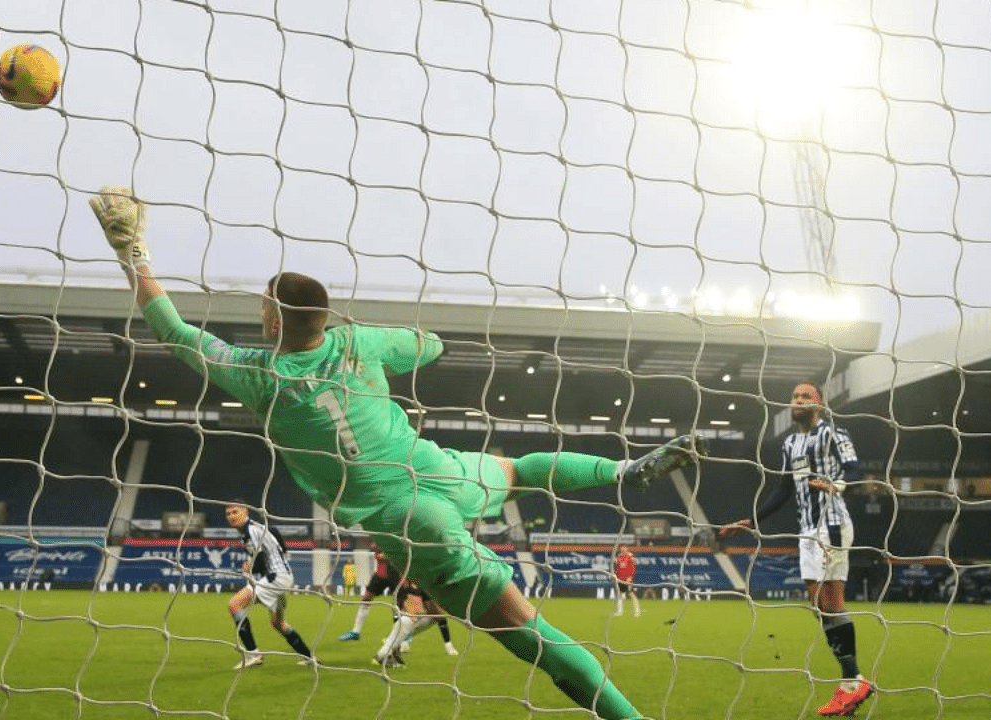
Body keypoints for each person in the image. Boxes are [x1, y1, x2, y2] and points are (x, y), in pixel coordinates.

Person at [88, 187, 701, 720]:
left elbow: (173, 329)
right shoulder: (357, 342)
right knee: (524, 469)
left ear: (274, 323)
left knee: (529, 635)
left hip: (406, 518)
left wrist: (133, 252)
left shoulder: (257, 373)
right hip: (433, 468)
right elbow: (430, 346)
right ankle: (624, 469)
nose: (260, 314)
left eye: (264, 308)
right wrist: (374, 338)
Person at [720, 381, 873, 718]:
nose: (799, 400)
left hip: (832, 524)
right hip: (807, 530)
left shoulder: (834, 433)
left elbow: (853, 467)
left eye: (806, 396)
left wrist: (836, 485)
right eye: (795, 396)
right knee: (822, 604)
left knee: (827, 602)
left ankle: (853, 681)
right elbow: (783, 487)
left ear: (819, 404)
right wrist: (753, 519)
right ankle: (853, 681)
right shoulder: (791, 443)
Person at [224, 502, 315, 669]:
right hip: (284, 576)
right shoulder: (258, 527)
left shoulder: (250, 531)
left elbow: (259, 560)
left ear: (246, 511)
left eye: (235, 512)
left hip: (276, 578)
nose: (231, 516)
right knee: (278, 622)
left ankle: (253, 654)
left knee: (235, 605)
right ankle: (310, 658)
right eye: (228, 513)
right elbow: (276, 540)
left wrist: (250, 568)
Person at [373, 579, 460, 665]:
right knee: (434, 616)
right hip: (408, 618)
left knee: (430, 617)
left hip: (401, 616)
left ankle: (393, 647)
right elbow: (433, 609)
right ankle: (384, 653)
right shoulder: (421, 583)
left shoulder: (400, 581)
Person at [340, 542, 404, 641]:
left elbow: (398, 554)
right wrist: (385, 555)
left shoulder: (396, 536)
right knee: (366, 599)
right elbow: (378, 553)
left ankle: (400, 637)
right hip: (380, 574)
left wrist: (388, 555)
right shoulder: (379, 537)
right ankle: (356, 631)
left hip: (396, 576)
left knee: (397, 606)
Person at [613, 546, 640, 617]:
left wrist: (630, 577)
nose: (623, 549)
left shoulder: (630, 557)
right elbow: (617, 568)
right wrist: (616, 575)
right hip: (621, 579)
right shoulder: (619, 557)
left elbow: (632, 568)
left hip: (628, 579)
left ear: (627, 548)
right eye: (621, 548)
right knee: (620, 595)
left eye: (624, 548)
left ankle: (637, 611)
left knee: (631, 594)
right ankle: (619, 611)